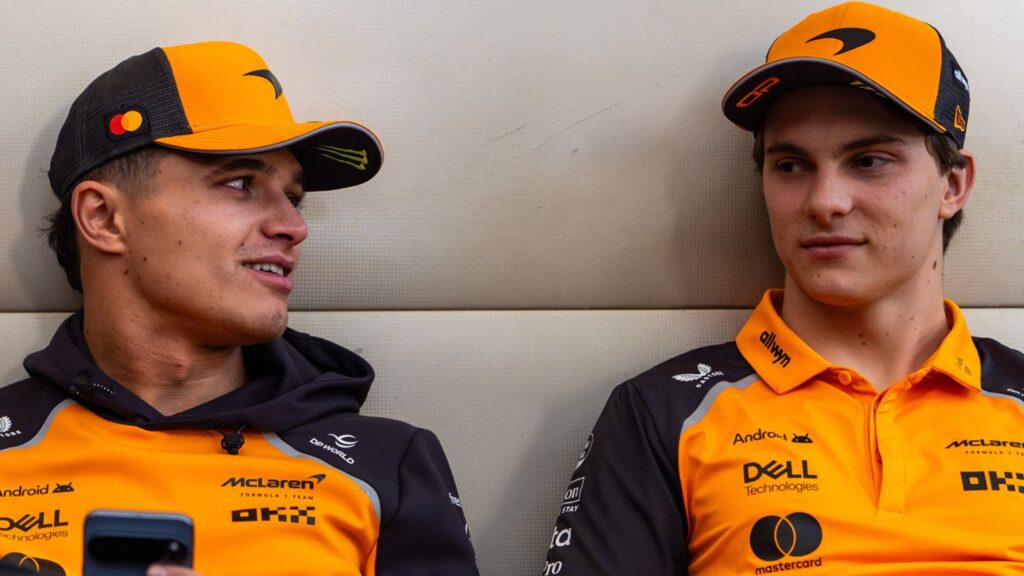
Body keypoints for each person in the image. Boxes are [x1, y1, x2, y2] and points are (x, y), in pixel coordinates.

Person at [543, 2, 1024, 574]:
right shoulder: (665, 412)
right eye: (792, 166)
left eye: (869, 161)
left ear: (953, 185)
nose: (825, 202)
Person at [0, 41, 477, 576]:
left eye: (292, 197)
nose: (294, 227)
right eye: (239, 183)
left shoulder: (387, 465)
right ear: (104, 218)